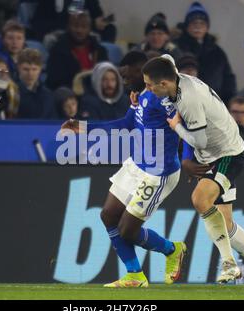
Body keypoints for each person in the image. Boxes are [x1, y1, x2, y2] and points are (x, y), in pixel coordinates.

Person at [142, 56, 244, 290]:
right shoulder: (173, 78)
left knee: (200, 199)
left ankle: (228, 263)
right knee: (225, 222)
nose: (147, 89)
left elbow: (199, 140)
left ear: (164, 84)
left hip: (227, 154)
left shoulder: (189, 100)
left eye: (149, 85)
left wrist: (177, 127)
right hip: (212, 155)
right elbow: (167, 59)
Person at [61, 51, 186, 288]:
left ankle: (172, 250)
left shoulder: (164, 99)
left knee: (127, 231)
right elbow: (127, 124)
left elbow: (183, 125)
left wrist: (193, 157)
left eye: (126, 72)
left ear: (140, 69)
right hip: (136, 165)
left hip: (157, 173)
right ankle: (134, 275)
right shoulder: (142, 95)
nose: (122, 77)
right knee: (107, 215)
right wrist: (83, 127)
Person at [174, 1, 236, 104]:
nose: (198, 27)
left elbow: (228, 79)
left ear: (207, 27)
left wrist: (228, 102)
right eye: (194, 23)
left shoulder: (218, 52)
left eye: (202, 23)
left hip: (212, 105)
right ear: (186, 26)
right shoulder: (175, 47)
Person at [45, 10, 108, 90]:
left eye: (84, 27)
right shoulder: (58, 50)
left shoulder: (100, 50)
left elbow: (106, 72)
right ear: (68, 27)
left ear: (89, 29)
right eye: (75, 26)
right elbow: (54, 80)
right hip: (69, 92)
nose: (79, 30)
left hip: (96, 91)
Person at [16, 48, 55, 119]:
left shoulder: (47, 95)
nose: (30, 74)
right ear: (18, 68)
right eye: (26, 69)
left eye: (34, 69)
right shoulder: (11, 93)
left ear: (40, 69)